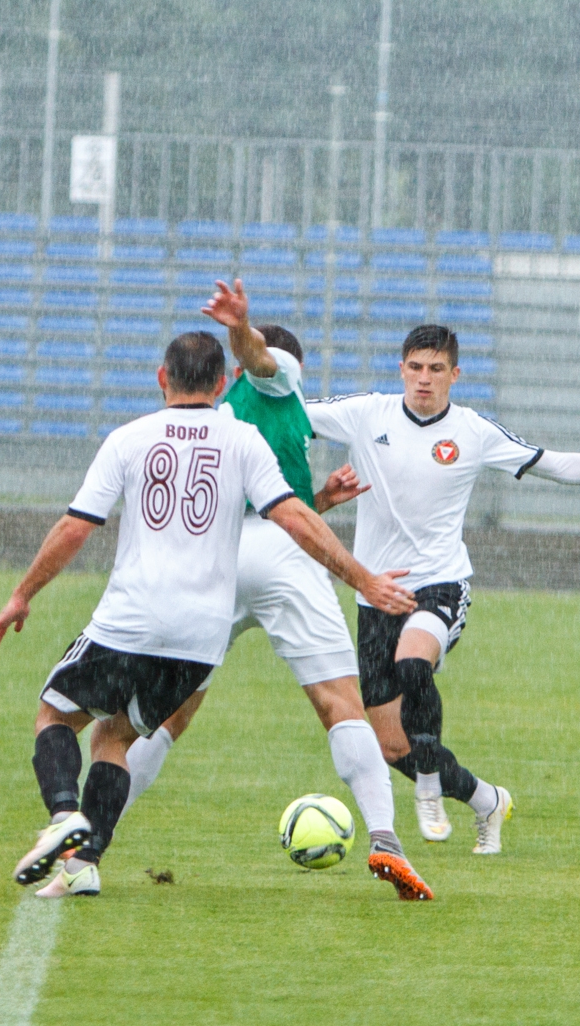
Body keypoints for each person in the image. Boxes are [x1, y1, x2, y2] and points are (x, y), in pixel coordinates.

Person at [0, 331, 416, 898]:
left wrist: (23, 593)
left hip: (131, 619)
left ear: (162, 378)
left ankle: (66, 816)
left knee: (56, 716)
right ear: (220, 383)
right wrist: (362, 578)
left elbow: (75, 527)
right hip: (198, 640)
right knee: (115, 738)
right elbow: (293, 517)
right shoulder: (243, 440)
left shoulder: (129, 438)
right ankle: (83, 864)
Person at [306, 324, 580, 853]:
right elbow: (287, 408)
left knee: (413, 664)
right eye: (415, 367)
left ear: (455, 374)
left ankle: (429, 787)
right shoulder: (366, 414)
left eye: (436, 369)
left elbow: (558, 464)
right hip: (375, 594)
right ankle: (486, 801)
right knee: (389, 746)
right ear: (401, 368)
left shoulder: (473, 432)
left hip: (439, 584)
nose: (424, 379)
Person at [105, 279, 434, 902]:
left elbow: (276, 499)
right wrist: (242, 326)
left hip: (223, 558)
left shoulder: (219, 418)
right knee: (340, 704)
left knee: (168, 714)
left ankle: (95, 831)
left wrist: (322, 499)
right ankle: (386, 838)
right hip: (285, 559)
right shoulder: (278, 374)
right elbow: (260, 358)